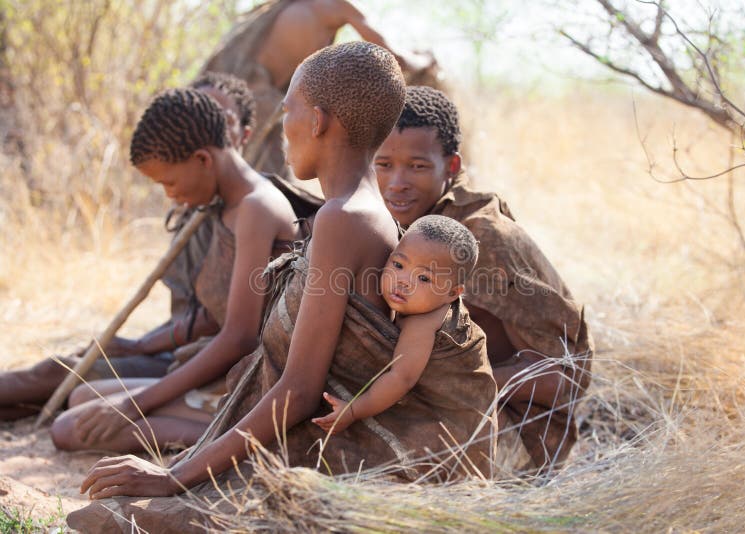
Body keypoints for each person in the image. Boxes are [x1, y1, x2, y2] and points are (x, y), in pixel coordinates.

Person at [69, 45, 500, 531]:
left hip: (337, 453)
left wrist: (174, 475)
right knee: (104, 506)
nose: (283, 125)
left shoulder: (344, 219)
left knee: (104, 519)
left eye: (287, 109)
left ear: (317, 120)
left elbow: (298, 391)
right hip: (304, 437)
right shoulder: (348, 212)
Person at [49, 87, 302, 452]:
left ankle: (245, 441)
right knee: (82, 398)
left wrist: (134, 403)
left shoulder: (255, 208)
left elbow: (239, 339)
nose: (170, 195)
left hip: (253, 383)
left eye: (169, 182)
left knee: (70, 428)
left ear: (202, 159)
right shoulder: (228, 205)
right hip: (224, 374)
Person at [0, 73, 263, 422]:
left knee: (65, 382)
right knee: (62, 378)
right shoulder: (195, 205)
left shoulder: (250, 211)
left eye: (221, 119)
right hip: (175, 352)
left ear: (243, 135)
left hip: (202, 365)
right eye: (200, 113)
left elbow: (225, 325)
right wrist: (138, 344)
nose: (207, 125)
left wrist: (141, 349)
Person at [373, 86, 594, 470]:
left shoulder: (484, 238)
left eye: (418, 166)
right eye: (384, 164)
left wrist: (456, 381)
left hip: (516, 433)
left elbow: (565, 379)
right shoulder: (391, 225)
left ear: (453, 167)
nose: (397, 182)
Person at [203, 0, 437, 176]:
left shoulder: (297, 6)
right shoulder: (335, 5)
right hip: (255, 93)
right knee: (272, 175)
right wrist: (425, 60)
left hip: (243, 93)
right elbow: (390, 54)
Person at [312, 214, 479, 434]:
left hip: (458, 424)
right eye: (399, 265)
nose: (403, 281)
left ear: (452, 293)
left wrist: (354, 411)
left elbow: (401, 378)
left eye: (424, 279)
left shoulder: (423, 324)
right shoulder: (420, 303)